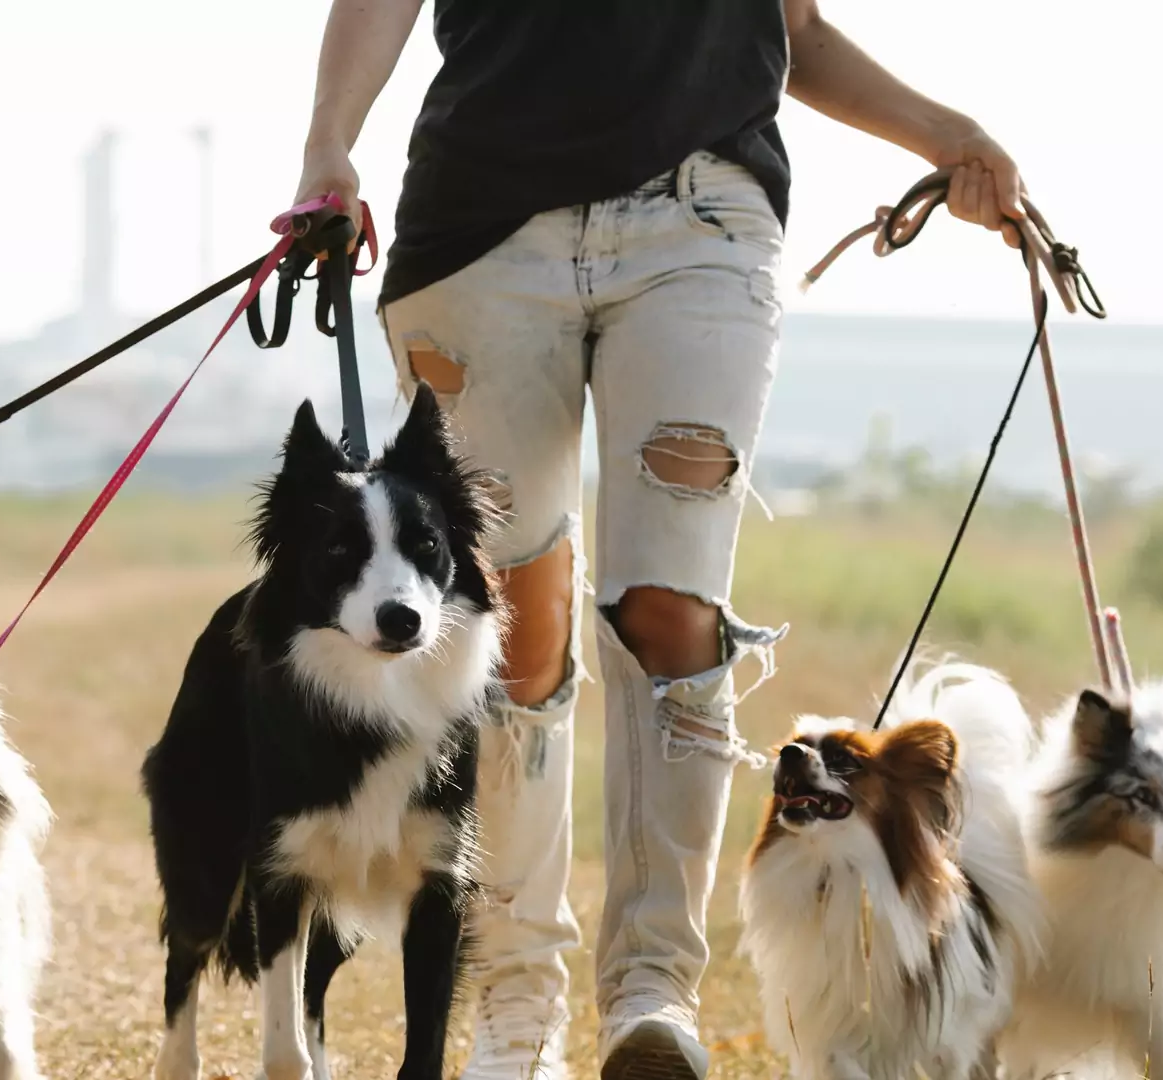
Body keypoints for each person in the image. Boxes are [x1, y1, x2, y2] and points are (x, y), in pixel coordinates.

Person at [290, 3, 1025, 1079]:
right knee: (512, 629)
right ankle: (514, 998)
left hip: (705, 224)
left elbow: (797, 29)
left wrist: (947, 133)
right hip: (482, 228)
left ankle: (653, 990)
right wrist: (329, 143)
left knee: (675, 612)